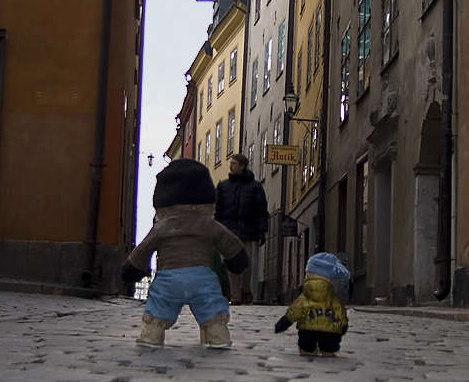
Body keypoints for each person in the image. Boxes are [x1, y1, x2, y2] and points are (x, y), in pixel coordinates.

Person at [120, 158, 249, 349]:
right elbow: (229, 243)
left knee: (158, 309)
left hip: (168, 279)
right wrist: (236, 260)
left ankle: (151, 336)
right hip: (202, 277)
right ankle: (218, 336)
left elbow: (143, 249)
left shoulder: (162, 226)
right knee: (211, 309)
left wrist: (132, 269)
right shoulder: (208, 224)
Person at [215, 153, 269, 305]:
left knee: (246, 264)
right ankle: (235, 296)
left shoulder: (255, 187)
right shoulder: (223, 186)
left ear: (242, 166)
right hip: (228, 231)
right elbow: (217, 211)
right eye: (230, 163)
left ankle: (246, 288)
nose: (230, 166)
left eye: (234, 164)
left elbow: (261, 210)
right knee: (231, 263)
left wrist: (262, 230)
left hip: (248, 231)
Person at [274, 252, 350, 357]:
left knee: (307, 347)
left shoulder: (306, 294)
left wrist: (283, 323)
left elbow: (295, 311)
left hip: (307, 330)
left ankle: (307, 350)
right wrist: (343, 326)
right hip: (330, 332)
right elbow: (339, 311)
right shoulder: (332, 296)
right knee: (330, 346)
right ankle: (329, 351)